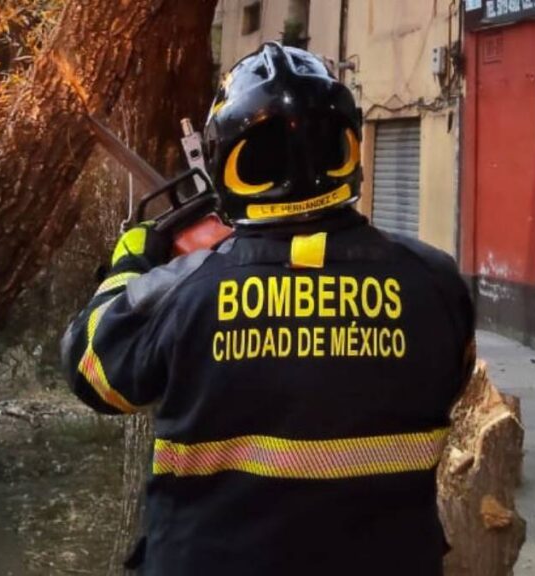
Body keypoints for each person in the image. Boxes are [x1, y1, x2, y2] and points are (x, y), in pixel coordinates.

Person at [61, 42, 475, 576]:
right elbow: (451, 380)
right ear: (348, 149)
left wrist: (131, 263)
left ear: (226, 164)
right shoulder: (436, 282)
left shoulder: (183, 293)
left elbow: (89, 369)